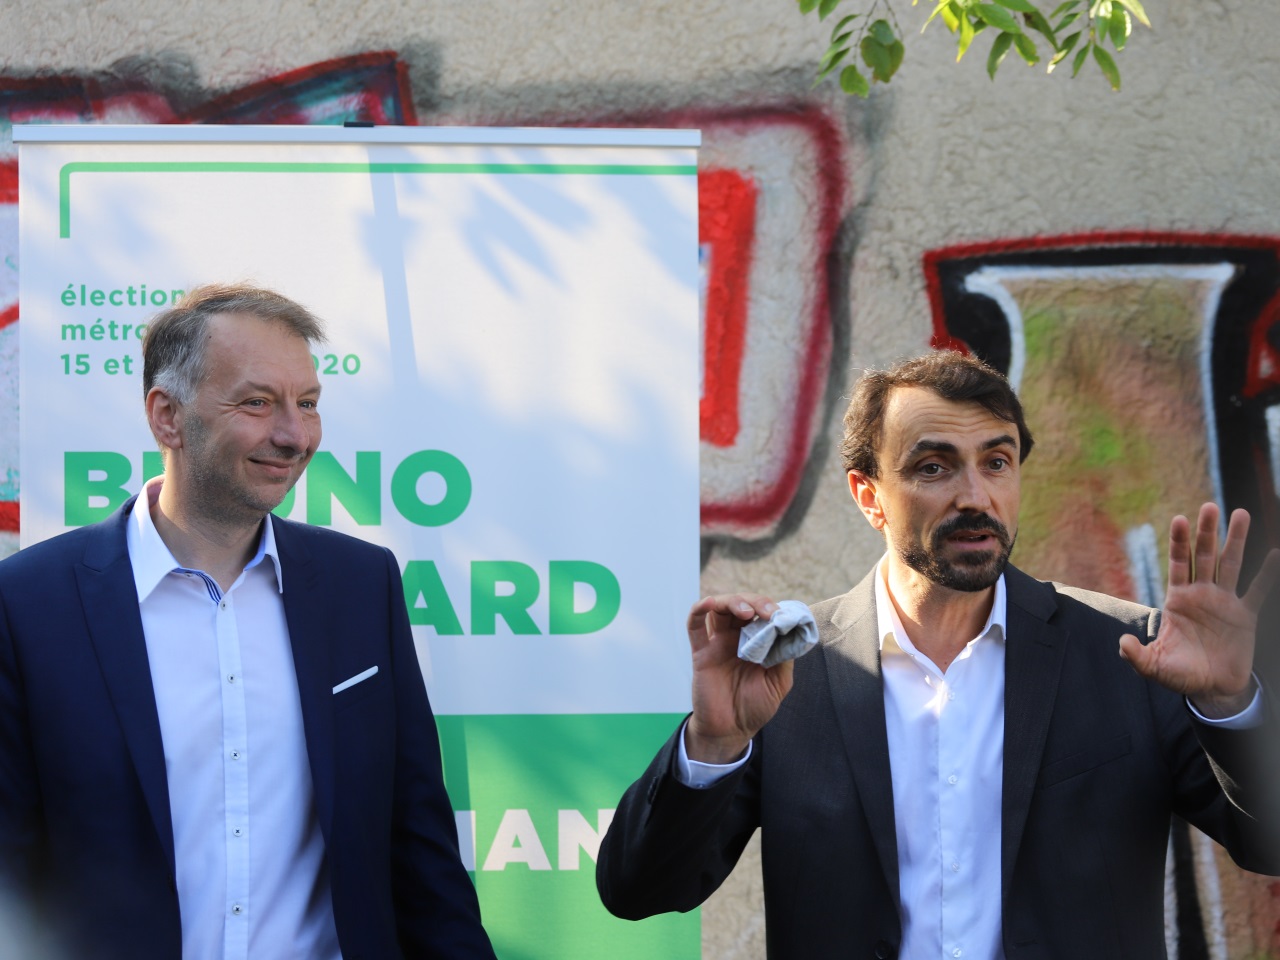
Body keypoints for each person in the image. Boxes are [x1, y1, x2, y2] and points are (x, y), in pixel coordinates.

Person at [597, 350, 1280, 960]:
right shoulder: (788, 674)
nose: (974, 497)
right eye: (933, 467)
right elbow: (639, 889)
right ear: (870, 497)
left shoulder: (1133, 655)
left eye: (997, 462)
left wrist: (1229, 706)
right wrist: (713, 744)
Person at [0, 284, 497, 960]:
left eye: (309, 404)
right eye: (257, 403)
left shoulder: (360, 587)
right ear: (167, 418)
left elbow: (418, 849)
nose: (294, 436)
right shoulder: (29, 604)